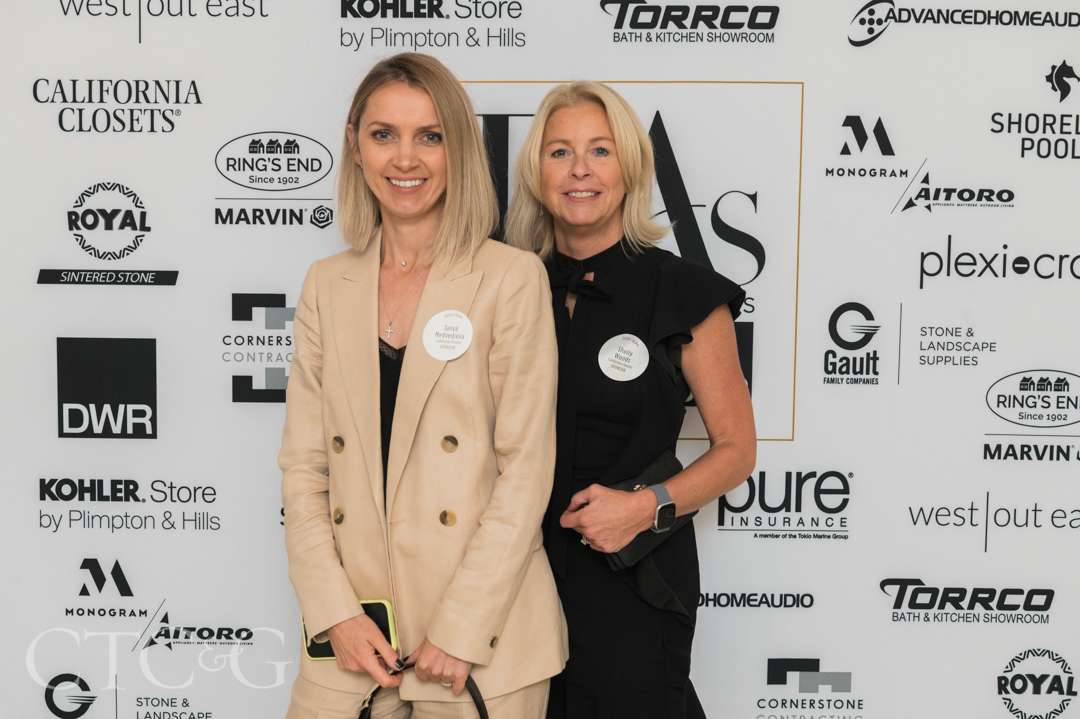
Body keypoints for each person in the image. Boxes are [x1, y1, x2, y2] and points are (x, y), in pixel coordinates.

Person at [280, 53, 566, 719]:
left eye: (429, 136)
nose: (405, 158)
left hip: (480, 643)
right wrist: (333, 612)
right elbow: (304, 468)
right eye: (384, 134)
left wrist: (462, 627)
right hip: (356, 639)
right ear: (355, 146)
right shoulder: (327, 283)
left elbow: (525, 470)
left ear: (458, 149)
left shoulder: (510, 278)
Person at [505, 82, 757, 718]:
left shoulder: (683, 291)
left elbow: (736, 451)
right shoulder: (506, 285)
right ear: (537, 171)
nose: (580, 170)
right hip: (511, 578)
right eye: (560, 152)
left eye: (601, 150)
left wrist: (645, 508)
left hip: (631, 575)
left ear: (631, 169)